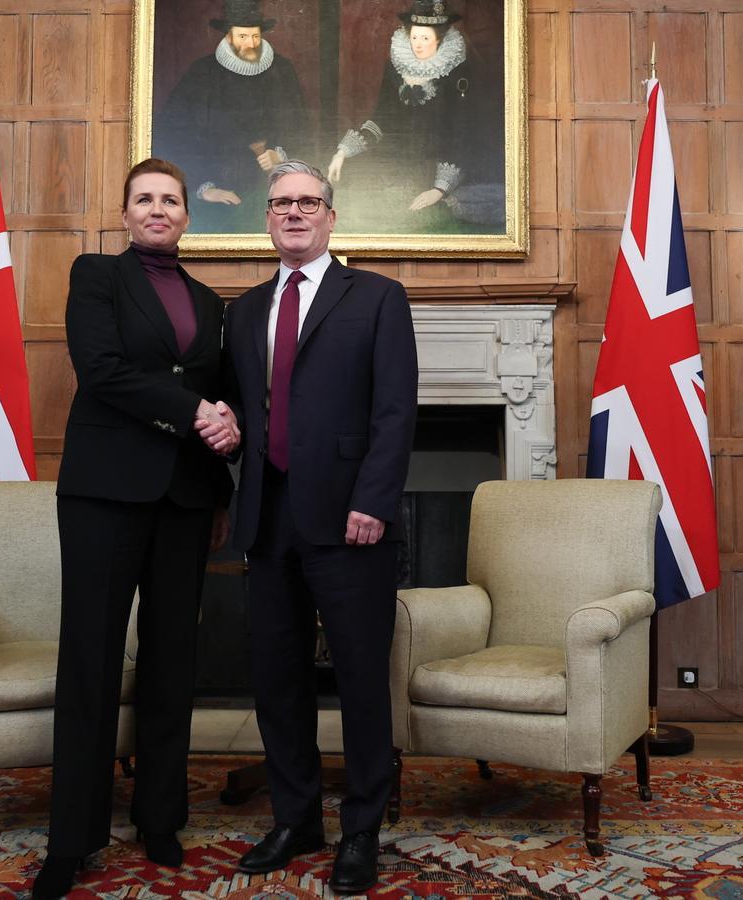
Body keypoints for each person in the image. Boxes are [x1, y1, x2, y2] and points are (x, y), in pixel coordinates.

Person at [199, 160, 417, 895]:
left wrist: (374, 501)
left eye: (308, 202)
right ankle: (296, 820)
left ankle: (361, 831)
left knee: (360, 680)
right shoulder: (243, 312)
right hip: (269, 516)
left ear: (330, 216)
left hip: (352, 519)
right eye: (281, 203)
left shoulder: (378, 297)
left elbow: (396, 410)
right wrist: (225, 424)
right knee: (278, 678)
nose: (294, 212)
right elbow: (240, 405)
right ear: (267, 218)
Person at [31, 159, 237, 900]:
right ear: (124, 214)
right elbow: (103, 372)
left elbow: (219, 397)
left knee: (172, 661)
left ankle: (160, 818)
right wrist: (196, 412)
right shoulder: (97, 276)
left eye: (170, 200)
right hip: (104, 494)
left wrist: (221, 481)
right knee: (90, 659)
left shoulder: (210, 302)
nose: (157, 209)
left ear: (187, 216)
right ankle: (72, 838)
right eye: (144, 198)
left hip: (185, 500)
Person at [328, 0, 503, 228]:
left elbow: (463, 134)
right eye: (414, 37)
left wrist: (440, 189)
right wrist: (342, 152)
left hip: (443, 166)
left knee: (430, 218)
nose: (418, 45)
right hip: (400, 162)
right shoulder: (396, 69)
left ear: (439, 40)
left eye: (425, 38)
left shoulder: (459, 74)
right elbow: (381, 120)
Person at [153, 0, 306, 232]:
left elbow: (302, 129)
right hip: (216, 195)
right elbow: (173, 136)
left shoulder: (282, 71)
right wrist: (204, 189)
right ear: (228, 37)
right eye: (243, 36)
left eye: (255, 36)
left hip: (270, 193)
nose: (251, 44)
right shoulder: (202, 73)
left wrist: (280, 155)